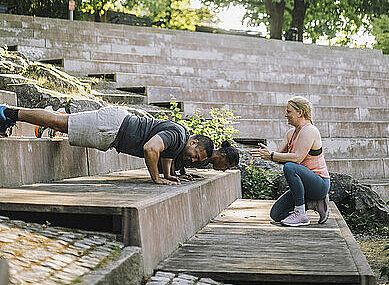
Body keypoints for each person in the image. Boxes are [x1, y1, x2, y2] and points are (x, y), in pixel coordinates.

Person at [0, 105, 214, 186]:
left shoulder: (179, 139)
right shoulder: (178, 135)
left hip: (113, 130)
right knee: (58, 122)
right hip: (112, 127)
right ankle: (6, 113)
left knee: (61, 122)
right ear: (194, 142)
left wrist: (169, 175)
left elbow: (166, 156)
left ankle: (41, 112)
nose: (193, 159)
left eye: (197, 160)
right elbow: (151, 148)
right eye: (196, 155)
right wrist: (156, 179)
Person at [250, 96, 330, 227]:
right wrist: (267, 153)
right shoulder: (290, 133)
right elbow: (278, 156)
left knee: (290, 167)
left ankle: (301, 214)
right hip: (304, 187)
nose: (285, 115)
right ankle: (313, 203)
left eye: (288, 111)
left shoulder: (310, 130)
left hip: (319, 184)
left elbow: (297, 158)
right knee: (276, 214)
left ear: (300, 112)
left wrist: (272, 155)